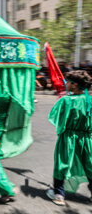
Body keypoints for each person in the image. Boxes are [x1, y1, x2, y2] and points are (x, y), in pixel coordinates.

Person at [47, 70, 92, 206]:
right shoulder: (89, 100)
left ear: (74, 85)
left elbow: (58, 121)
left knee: (62, 163)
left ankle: (59, 194)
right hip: (86, 138)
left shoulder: (66, 100)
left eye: (67, 82)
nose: (65, 84)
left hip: (68, 137)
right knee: (89, 164)